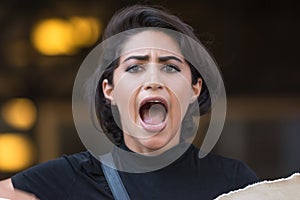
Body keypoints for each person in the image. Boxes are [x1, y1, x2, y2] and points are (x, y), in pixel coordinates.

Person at [0, 5, 258, 200]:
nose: (154, 80)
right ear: (109, 89)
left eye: (170, 67)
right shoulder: (68, 179)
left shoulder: (234, 182)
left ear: (194, 87)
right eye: (135, 68)